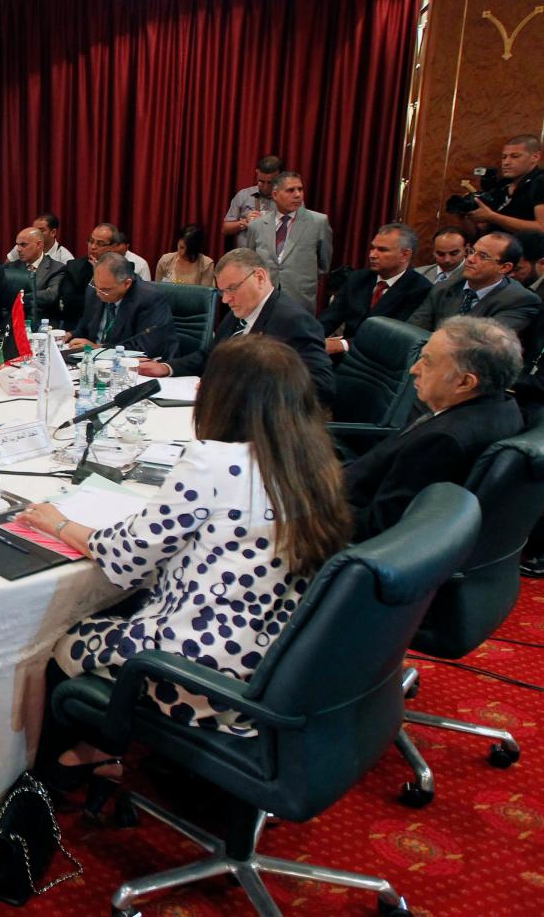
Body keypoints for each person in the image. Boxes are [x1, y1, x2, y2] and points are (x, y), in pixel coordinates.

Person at [19, 335, 348, 793]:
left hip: (202, 669)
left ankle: (60, 774)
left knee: (58, 639)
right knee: (122, 605)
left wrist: (58, 524)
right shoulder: (312, 458)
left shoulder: (216, 461)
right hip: (276, 658)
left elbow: (126, 555)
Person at [345, 317, 523, 540]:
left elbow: (380, 525)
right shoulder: (502, 406)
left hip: (334, 518)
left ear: (465, 383)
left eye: (427, 361)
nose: (413, 369)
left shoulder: (443, 441)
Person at [138, 248, 336, 405]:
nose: (225, 299)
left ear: (259, 277)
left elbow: (322, 386)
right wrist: (166, 367)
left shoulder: (292, 320)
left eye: (231, 289)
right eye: (222, 291)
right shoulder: (240, 312)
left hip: (264, 425)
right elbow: (210, 356)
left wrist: (242, 389)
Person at [320, 223, 432, 355]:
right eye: (372, 248)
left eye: (382, 250)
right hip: (344, 357)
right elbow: (330, 317)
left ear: (405, 255)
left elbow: (393, 335)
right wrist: (311, 337)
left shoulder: (419, 288)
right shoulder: (358, 278)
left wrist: (342, 344)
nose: (372, 255)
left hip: (381, 361)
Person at [407, 231, 541, 339]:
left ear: (504, 268)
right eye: (472, 251)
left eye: (483, 256)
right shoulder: (444, 287)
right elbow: (413, 332)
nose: (470, 259)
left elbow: (481, 343)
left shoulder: (520, 300)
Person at [246, 171, 332, 311]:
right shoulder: (257, 225)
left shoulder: (318, 222)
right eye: (290, 190)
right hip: (264, 297)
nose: (298, 195)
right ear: (275, 195)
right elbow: (251, 261)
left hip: (300, 299)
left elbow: (323, 265)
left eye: (300, 189)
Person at [67, 253, 178, 359]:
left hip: (134, 367)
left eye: (105, 290)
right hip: (93, 361)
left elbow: (145, 347)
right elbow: (85, 328)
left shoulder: (149, 299)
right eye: (96, 285)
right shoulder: (95, 290)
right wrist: (69, 335)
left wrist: (98, 349)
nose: (98, 293)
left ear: (127, 284)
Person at [464, 133, 544, 237]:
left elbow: (542, 228)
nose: (506, 162)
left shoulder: (540, 181)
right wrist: (465, 212)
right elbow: (481, 229)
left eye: (515, 156)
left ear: (535, 157)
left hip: (523, 251)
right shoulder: (502, 185)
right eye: (504, 157)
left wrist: (493, 217)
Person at [222, 154, 283, 247]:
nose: (265, 187)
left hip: (274, 257)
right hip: (245, 257)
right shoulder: (243, 195)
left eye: (270, 182)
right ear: (257, 172)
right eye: (261, 181)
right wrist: (244, 222)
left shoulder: (288, 198)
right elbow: (225, 229)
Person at [7, 226, 66, 299]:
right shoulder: (10, 268)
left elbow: (51, 295)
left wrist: (20, 297)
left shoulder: (57, 268)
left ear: (38, 244)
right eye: (17, 244)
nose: (18, 249)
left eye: (23, 244)